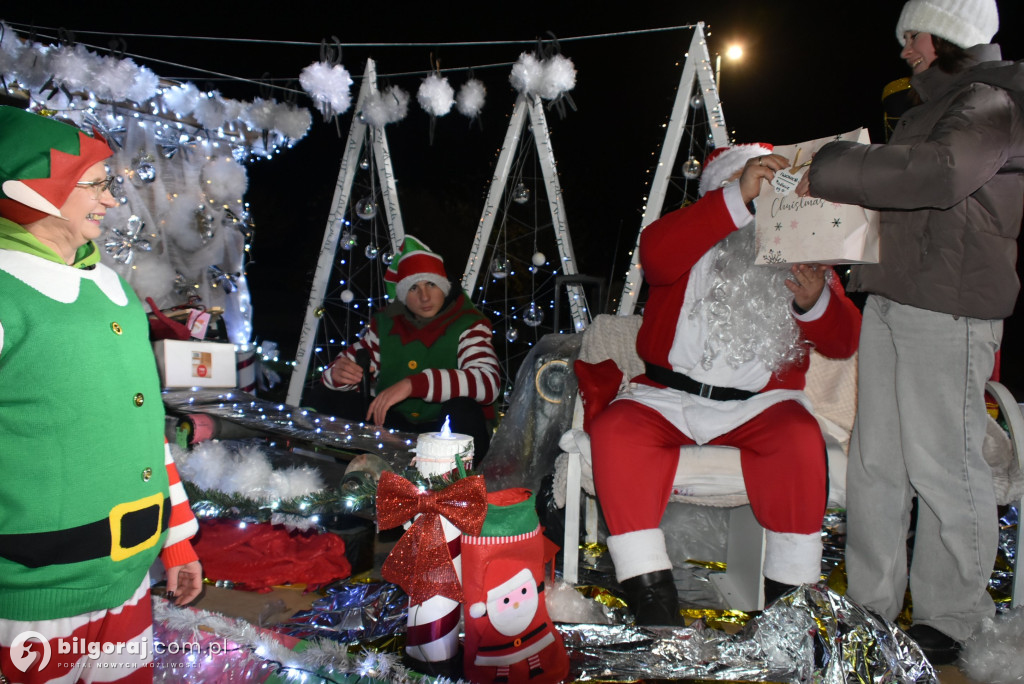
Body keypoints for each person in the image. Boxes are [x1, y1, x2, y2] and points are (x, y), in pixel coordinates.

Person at [795, 0, 1023, 665]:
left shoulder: (989, 103)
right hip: (896, 297)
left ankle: (955, 619)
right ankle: (873, 609)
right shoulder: (939, 106)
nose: (904, 49)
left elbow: (938, 175)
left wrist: (832, 165)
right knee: (877, 465)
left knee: (943, 463)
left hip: (947, 308)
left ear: (950, 34)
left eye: (913, 35)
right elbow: (903, 196)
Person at [580, 143, 861, 625]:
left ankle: (789, 601)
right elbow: (655, 252)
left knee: (799, 440)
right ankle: (651, 592)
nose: (759, 210)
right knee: (615, 432)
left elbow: (843, 340)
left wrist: (815, 300)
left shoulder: (800, 250)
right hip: (666, 395)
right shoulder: (690, 241)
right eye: (753, 196)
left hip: (762, 405)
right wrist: (737, 199)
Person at [0, 106, 201, 682]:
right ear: (36, 190)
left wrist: (178, 541)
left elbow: (143, 430)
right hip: (31, 601)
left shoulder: (111, 288)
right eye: (95, 185)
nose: (112, 201)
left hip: (127, 581)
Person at [322, 236, 500, 461]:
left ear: (444, 287)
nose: (424, 297)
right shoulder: (386, 325)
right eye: (414, 287)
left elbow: (487, 383)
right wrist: (340, 374)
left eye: (431, 284)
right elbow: (339, 370)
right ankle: (358, 474)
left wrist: (413, 385)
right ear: (404, 294)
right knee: (341, 402)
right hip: (396, 431)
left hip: (449, 434)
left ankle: (455, 480)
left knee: (462, 408)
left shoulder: (469, 324)